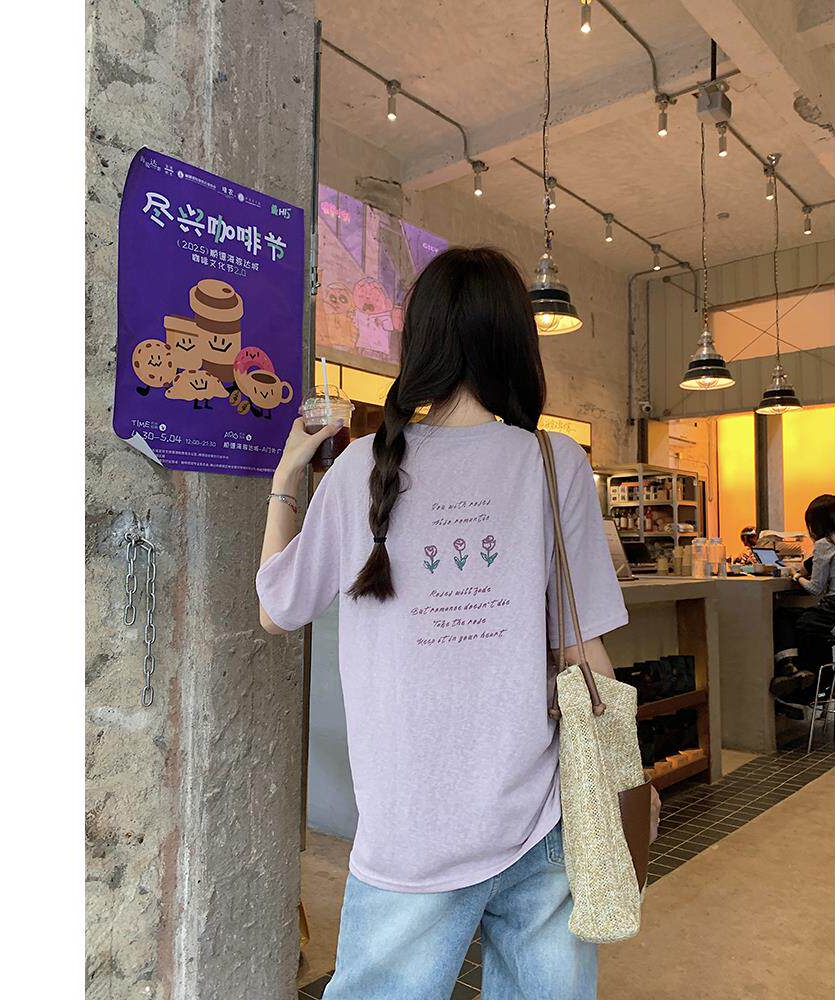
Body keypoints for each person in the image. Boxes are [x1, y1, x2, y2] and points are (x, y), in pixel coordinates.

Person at [256, 247, 653, 1000]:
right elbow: (581, 650)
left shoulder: (359, 468)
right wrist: (630, 779)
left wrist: (285, 478)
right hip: (541, 821)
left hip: (409, 835)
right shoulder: (554, 462)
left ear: (420, 343)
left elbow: (276, 611)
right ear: (517, 343)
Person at [770, 494, 835, 703]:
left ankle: (801, 678)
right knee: (798, 618)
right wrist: (800, 570)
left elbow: (815, 588)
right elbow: (811, 565)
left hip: (832, 610)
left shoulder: (825, 543)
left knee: (794, 619)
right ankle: (795, 672)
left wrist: (795, 577)